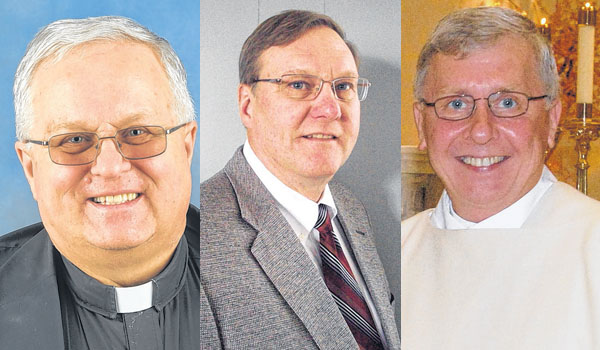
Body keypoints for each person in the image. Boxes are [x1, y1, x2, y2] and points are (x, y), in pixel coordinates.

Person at [402, 6, 600, 349]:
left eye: (508, 103)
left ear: (551, 120)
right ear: (422, 123)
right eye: (456, 104)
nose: (481, 131)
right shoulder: (391, 257)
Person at [200, 10, 400, 350]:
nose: (331, 108)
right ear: (247, 106)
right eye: (298, 85)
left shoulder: (350, 210)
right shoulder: (193, 240)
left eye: (343, 87)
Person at [0, 16, 198, 349]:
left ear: (186, 146)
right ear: (31, 169)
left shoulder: (249, 266)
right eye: (74, 139)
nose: (110, 167)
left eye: (137, 132)